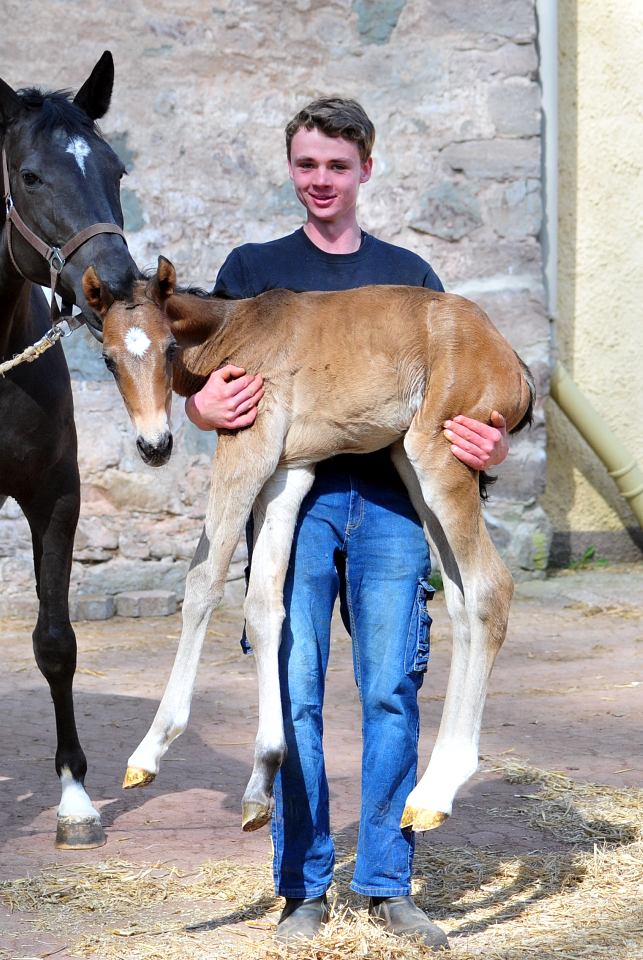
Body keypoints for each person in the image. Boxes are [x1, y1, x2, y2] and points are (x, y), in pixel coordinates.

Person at [187, 99, 509, 947]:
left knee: (390, 690)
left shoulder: (409, 276)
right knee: (292, 692)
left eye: (336, 165)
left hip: (395, 506)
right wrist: (200, 405)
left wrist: (493, 444)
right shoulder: (252, 271)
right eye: (306, 165)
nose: (320, 181)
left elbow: (463, 399)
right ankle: (301, 888)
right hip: (296, 511)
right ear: (289, 169)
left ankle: (386, 882)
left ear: (367, 168)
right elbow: (208, 390)